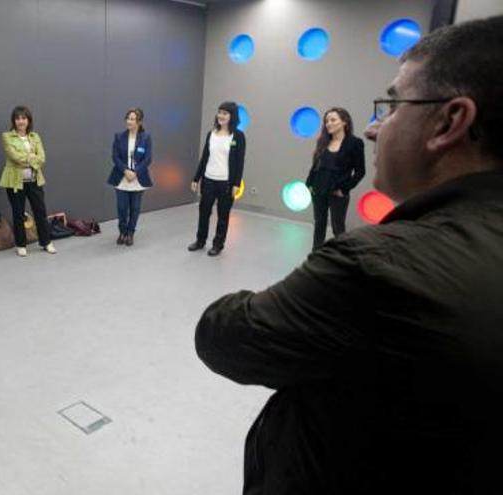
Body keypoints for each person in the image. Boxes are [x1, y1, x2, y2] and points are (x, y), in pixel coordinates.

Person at [195, 15, 503, 494]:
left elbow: (225, 337)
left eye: (393, 104)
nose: (378, 127)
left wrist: (328, 266)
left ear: (450, 121)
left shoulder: (376, 267)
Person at [188, 101, 246, 256]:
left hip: (226, 183)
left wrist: (236, 183)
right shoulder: (211, 134)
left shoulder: (238, 136)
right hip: (208, 180)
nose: (221, 116)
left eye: (225, 113)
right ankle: (200, 241)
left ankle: (218, 244)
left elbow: (240, 162)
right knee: (204, 212)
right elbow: (204, 158)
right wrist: (196, 178)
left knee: (223, 215)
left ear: (232, 116)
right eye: (219, 112)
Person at [0, 105, 56, 257]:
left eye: (23, 118)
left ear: (28, 120)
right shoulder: (7, 136)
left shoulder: (34, 137)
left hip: (34, 179)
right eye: (17, 118)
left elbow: (42, 158)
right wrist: (32, 157)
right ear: (14, 121)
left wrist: (29, 159)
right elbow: (14, 157)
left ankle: (46, 242)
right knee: (18, 213)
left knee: (40, 211)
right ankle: (21, 244)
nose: (21, 121)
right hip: (15, 181)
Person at [306, 107, 365, 250]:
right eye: (327, 121)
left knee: (338, 228)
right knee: (319, 225)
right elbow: (316, 166)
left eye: (333, 120)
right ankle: (316, 256)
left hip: (337, 193)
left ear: (344, 122)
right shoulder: (323, 141)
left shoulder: (355, 143)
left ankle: (342, 258)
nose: (329, 123)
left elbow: (360, 172)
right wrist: (310, 184)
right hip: (319, 190)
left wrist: (343, 189)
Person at [107, 108, 152, 246]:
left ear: (139, 122)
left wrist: (135, 172)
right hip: (122, 177)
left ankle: (131, 233)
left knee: (135, 208)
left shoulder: (145, 137)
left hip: (138, 179)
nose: (129, 121)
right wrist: (126, 171)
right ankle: (123, 232)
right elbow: (115, 157)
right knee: (122, 207)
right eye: (128, 118)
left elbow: (148, 158)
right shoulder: (119, 136)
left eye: (132, 119)